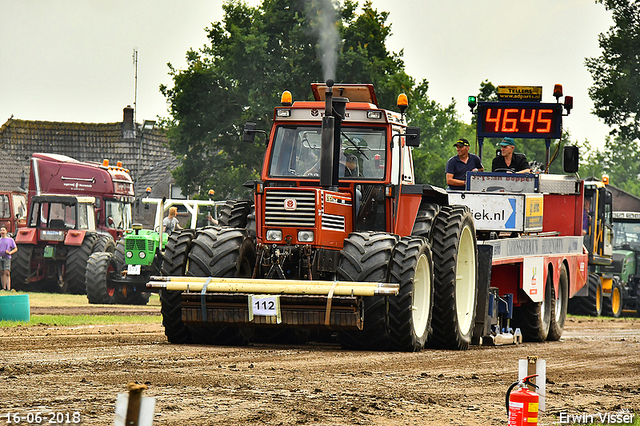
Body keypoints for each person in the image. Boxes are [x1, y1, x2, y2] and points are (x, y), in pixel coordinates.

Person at [0, 226, 18, 291]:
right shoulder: (0, 240)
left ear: (6, 231)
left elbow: (15, 248)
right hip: (0, 258)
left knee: (7, 272)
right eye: (1, 230)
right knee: (1, 272)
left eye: (3, 230)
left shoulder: (10, 240)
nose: (2, 231)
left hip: (7, 257)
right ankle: (3, 287)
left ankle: (8, 288)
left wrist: (10, 253)